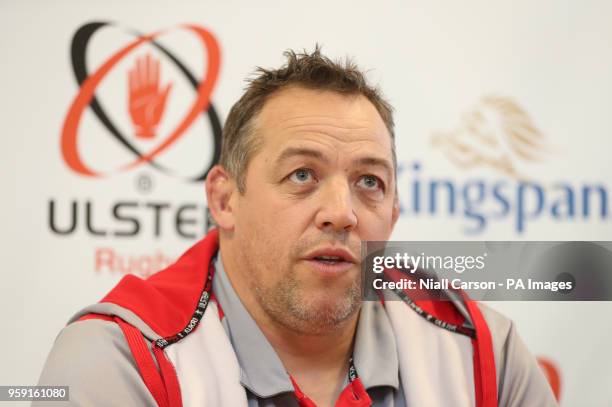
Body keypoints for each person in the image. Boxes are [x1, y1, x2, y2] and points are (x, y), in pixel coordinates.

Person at [36, 48, 557, 407]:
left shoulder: (484, 351)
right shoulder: (119, 358)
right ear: (224, 198)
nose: (342, 211)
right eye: (302, 174)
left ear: (394, 214)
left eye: (369, 182)